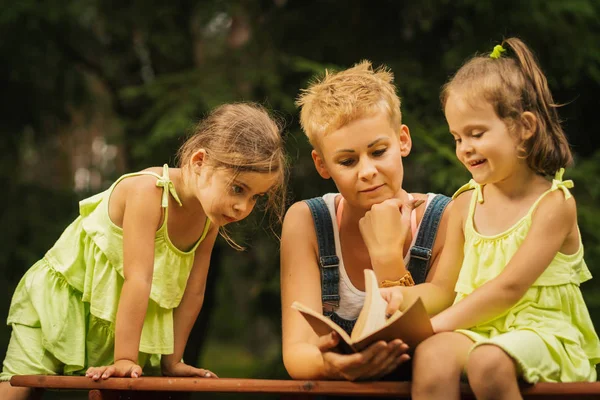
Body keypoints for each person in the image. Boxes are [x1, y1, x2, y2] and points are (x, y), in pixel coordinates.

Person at [0, 103, 288, 400]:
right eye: (238, 189)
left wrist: (173, 361)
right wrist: (125, 357)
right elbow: (138, 278)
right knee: (19, 387)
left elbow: (194, 292)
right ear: (200, 161)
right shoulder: (147, 192)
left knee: (117, 390)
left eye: (256, 197)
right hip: (64, 299)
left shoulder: (207, 218)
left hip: (120, 317)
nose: (243, 207)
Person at [403, 38, 600, 400]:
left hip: (542, 333)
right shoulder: (464, 205)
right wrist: (400, 301)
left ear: (524, 127)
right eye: (457, 137)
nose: (464, 148)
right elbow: (445, 290)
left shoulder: (553, 204)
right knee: (431, 354)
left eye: (476, 134)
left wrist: (436, 325)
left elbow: (509, 288)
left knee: (487, 363)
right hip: (479, 331)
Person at [280, 60, 452, 382]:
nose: (367, 171)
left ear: (402, 140)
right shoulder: (307, 222)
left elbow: (441, 338)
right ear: (322, 165)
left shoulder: (444, 218)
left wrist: (387, 255)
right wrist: (332, 366)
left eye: (378, 151)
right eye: (347, 161)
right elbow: (298, 351)